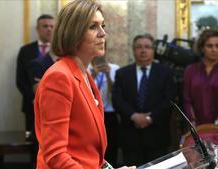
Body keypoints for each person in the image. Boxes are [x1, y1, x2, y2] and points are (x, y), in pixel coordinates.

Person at [34, 1, 135, 168]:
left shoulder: (85, 75)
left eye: (103, 26)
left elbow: (87, 153)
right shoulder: (59, 76)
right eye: (93, 27)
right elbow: (55, 155)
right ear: (73, 32)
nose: (103, 34)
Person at [112, 33, 176, 166]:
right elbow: (117, 99)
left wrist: (150, 118)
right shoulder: (122, 73)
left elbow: (169, 99)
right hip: (130, 137)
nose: (143, 50)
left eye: (147, 47)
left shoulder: (166, 73)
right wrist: (134, 116)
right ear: (133, 50)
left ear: (153, 50)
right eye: (139, 47)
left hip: (157, 136)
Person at [183, 29, 218, 126]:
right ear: (202, 48)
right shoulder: (191, 70)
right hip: (196, 126)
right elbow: (187, 100)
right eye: (210, 46)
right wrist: (193, 122)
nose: (214, 49)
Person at [16, 14, 54, 135]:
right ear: (37, 28)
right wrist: (34, 98)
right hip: (31, 106)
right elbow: (20, 79)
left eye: (52, 26)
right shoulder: (25, 51)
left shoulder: (60, 51)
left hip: (55, 106)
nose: (49, 29)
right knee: (32, 142)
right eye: (45, 26)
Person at [89, 56, 120, 167]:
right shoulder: (86, 69)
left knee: (111, 146)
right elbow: (85, 91)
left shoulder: (114, 68)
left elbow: (115, 93)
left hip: (109, 113)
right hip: (91, 113)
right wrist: (93, 75)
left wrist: (107, 74)